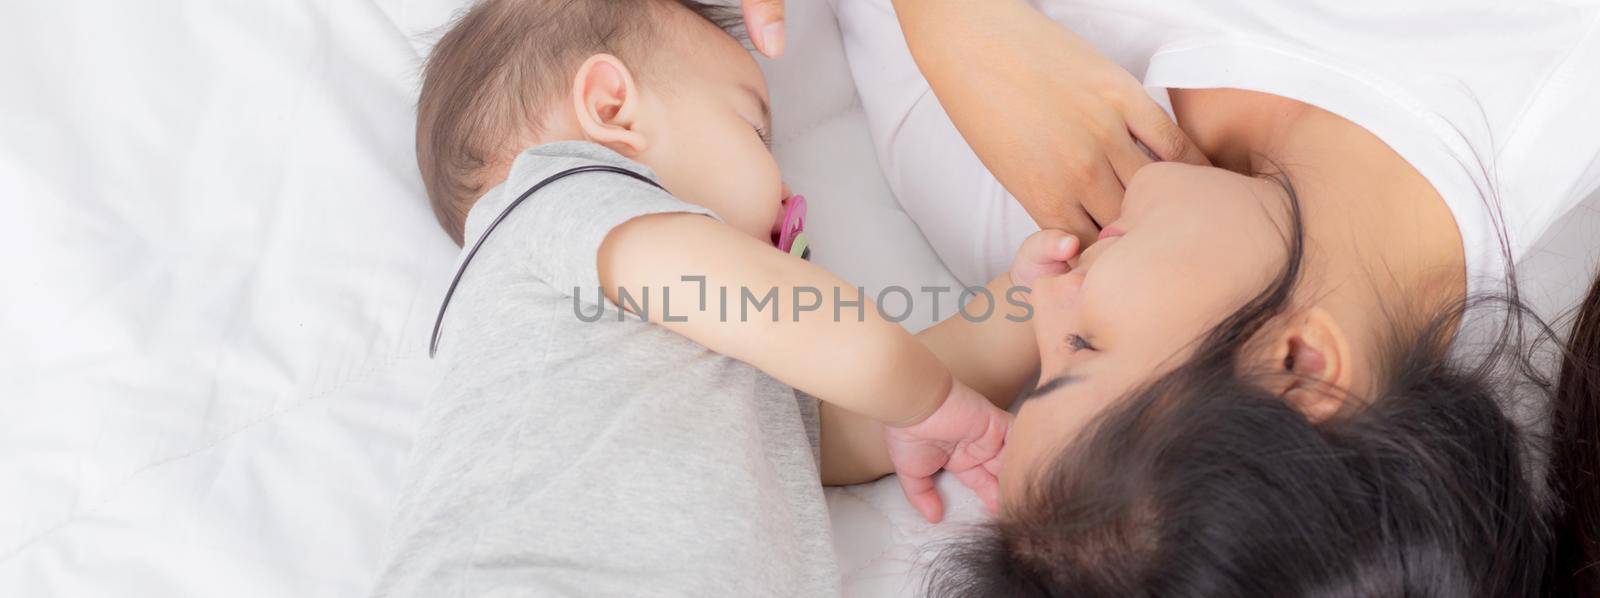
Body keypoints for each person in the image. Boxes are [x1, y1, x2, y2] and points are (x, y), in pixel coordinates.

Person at [824, 0, 1600, 593]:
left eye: (1033, 375)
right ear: (1298, 361)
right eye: (1083, 348)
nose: (1048, 298)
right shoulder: (1544, 52)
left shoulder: (1012, 202)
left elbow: (815, 423)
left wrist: (949, 25)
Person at [374, 0, 1074, 594]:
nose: (791, 192)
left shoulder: (708, 326)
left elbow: (840, 428)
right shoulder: (554, 195)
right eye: (754, 128)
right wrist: (929, 401)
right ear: (613, 110)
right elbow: (808, 327)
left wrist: (1025, 306)